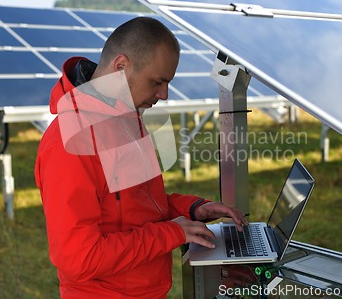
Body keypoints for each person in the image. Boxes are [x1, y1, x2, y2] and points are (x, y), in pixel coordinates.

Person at [34, 17, 248, 298]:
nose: (164, 94)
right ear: (121, 67)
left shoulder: (127, 118)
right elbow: (80, 259)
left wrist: (194, 209)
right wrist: (173, 233)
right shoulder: (69, 144)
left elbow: (142, 207)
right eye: (157, 82)